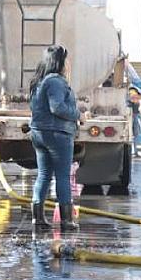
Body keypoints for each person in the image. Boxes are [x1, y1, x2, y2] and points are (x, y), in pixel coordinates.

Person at [28, 45, 81, 231]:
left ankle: (38, 218)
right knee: (62, 176)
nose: (69, 63)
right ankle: (67, 220)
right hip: (57, 133)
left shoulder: (39, 81)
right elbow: (57, 107)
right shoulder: (56, 81)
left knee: (43, 175)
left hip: (39, 133)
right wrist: (78, 114)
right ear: (60, 62)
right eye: (67, 59)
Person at [129, 87, 141, 158]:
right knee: (133, 136)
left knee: (135, 136)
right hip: (132, 117)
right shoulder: (131, 99)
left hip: (134, 116)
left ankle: (135, 152)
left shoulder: (133, 99)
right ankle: (134, 152)